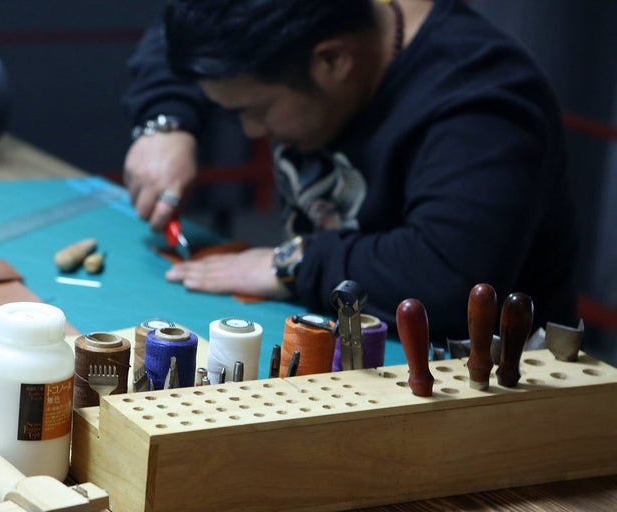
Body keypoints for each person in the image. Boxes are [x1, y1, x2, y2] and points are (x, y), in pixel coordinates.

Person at [121, 0, 579, 341]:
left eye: (256, 109)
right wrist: (164, 123)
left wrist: (294, 264)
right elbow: (183, 35)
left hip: (479, 388)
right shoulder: (292, 28)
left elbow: (448, 281)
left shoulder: (481, 101)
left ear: (333, 61)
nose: (251, 130)